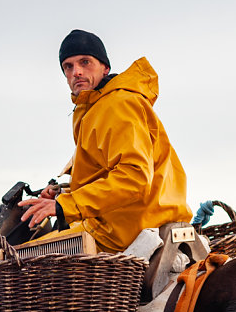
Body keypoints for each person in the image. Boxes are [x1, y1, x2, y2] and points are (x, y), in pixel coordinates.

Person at [19, 29, 192, 253]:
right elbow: (105, 176)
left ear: (105, 68)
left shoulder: (118, 104)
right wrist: (64, 194)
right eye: (68, 67)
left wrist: (65, 206)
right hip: (122, 223)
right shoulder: (95, 108)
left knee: (19, 259)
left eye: (85, 62)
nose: (76, 72)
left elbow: (134, 178)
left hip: (129, 230)